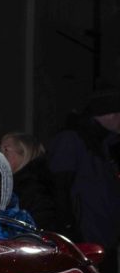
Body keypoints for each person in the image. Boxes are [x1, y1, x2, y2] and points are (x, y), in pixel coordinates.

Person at [46, 84, 120, 256]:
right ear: (110, 114)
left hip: (103, 237)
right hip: (84, 241)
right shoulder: (71, 141)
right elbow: (59, 189)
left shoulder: (104, 143)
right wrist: (71, 232)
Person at [0, 132, 64, 232]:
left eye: (6, 150)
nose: (0, 155)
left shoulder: (34, 185)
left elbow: (41, 225)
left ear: (25, 153)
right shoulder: (22, 182)